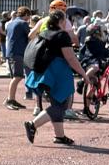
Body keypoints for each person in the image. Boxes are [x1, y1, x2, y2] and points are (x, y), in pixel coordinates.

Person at [24, 11, 84, 146]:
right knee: (62, 105)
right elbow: (71, 58)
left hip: (46, 72)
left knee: (56, 103)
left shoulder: (44, 32)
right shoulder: (62, 35)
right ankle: (32, 124)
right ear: (62, 21)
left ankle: (59, 136)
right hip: (58, 73)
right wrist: (84, 74)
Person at [4, 7, 32, 110]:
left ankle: (11, 99)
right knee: (17, 76)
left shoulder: (10, 23)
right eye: (29, 16)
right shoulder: (23, 23)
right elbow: (30, 36)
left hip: (12, 51)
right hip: (18, 52)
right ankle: (10, 100)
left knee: (16, 76)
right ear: (26, 15)